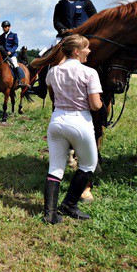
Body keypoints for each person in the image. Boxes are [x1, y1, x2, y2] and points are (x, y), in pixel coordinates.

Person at [42, 35, 103, 224]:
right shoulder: (90, 72)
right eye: (86, 48)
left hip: (57, 122)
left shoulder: (53, 72)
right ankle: (69, 204)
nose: (89, 51)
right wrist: (101, 103)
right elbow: (94, 105)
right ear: (76, 51)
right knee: (88, 165)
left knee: (55, 168)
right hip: (79, 122)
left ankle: (50, 214)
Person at [0, 20, 28, 90]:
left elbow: (16, 45)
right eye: (3, 27)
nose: (4, 28)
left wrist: (10, 52)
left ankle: (20, 80)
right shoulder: (1, 36)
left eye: (6, 27)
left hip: (11, 55)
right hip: (3, 55)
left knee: (15, 64)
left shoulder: (14, 35)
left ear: (9, 27)